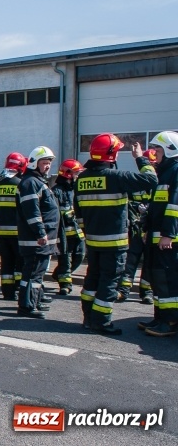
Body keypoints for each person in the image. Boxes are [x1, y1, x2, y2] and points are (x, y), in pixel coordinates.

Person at [74, 133, 157, 335]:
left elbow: (79, 212)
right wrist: (140, 158)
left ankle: (88, 318)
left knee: (92, 279)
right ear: (110, 155)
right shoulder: (117, 177)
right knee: (109, 282)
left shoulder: (81, 179)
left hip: (93, 242)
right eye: (117, 152)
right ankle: (101, 322)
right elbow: (152, 179)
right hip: (114, 244)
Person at [140, 131, 178, 336]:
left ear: (171, 150)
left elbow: (174, 207)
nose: (155, 154)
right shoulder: (164, 171)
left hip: (167, 240)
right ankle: (160, 317)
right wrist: (147, 230)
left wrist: (168, 235)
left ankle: (170, 320)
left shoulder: (175, 171)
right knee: (157, 279)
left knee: (167, 279)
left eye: (158, 150)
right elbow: (156, 207)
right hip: (156, 236)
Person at [16, 146, 59, 318]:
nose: (47, 166)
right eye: (44, 163)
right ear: (34, 163)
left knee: (37, 273)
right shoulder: (31, 183)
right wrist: (41, 233)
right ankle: (26, 306)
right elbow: (32, 213)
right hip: (36, 240)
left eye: (49, 163)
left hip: (41, 240)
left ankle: (35, 300)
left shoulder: (37, 182)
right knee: (32, 273)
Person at [116, 148, 157, 304]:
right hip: (136, 229)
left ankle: (147, 292)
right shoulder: (137, 182)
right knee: (130, 261)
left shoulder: (160, 183)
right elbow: (126, 203)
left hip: (151, 230)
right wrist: (136, 207)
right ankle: (123, 291)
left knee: (149, 262)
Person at [0, 152, 27, 300]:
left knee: (6, 262)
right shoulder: (21, 185)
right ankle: (19, 288)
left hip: (1, 232)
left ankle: (7, 292)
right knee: (20, 262)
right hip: (18, 233)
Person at [51, 159, 85, 295]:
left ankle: (58, 274)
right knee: (65, 259)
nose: (78, 176)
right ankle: (65, 285)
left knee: (80, 256)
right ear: (68, 174)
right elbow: (55, 212)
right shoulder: (56, 191)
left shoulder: (77, 190)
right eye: (77, 173)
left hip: (77, 232)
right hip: (63, 233)